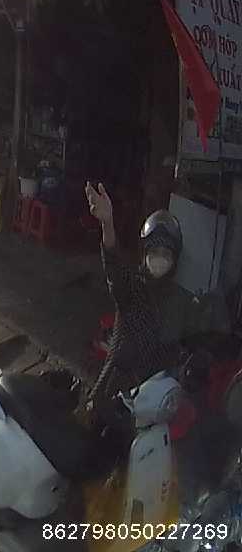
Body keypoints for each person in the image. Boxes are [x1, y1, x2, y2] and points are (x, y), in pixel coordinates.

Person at [82, 182, 182, 460]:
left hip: (153, 409)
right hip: (114, 394)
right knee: (93, 459)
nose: (159, 260)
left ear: (175, 259)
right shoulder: (132, 287)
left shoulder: (179, 302)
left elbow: (189, 343)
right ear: (144, 254)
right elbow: (113, 265)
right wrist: (107, 223)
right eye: (154, 253)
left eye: (165, 255)